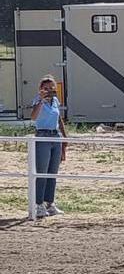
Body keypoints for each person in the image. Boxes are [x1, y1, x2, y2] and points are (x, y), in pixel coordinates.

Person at [30, 75, 68, 219]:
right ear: (41, 89)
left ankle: (49, 203)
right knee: (42, 171)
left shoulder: (56, 101)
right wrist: (41, 100)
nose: (49, 90)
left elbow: (59, 118)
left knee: (52, 172)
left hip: (55, 135)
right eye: (46, 88)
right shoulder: (38, 100)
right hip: (43, 135)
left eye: (51, 87)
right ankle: (38, 203)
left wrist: (64, 137)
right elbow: (33, 117)